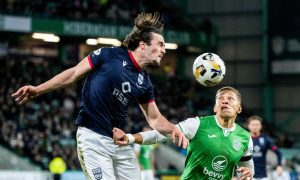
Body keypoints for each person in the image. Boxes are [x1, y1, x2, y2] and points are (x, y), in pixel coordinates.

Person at [11, 12, 188, 180]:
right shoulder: (108, 55)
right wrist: (38, 89)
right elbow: (73, 74)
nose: (164, 50)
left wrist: (174, 129)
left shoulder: (145, 82)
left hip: (119, 141)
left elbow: (155, 118)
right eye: (160, 44)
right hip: (93, 138)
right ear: (143, 45)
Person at [113, 86, 255, 180]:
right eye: (220, 99)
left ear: (239, 109)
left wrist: (249, 174)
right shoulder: (197, 124)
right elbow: (161, 135)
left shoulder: (245, 138)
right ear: (215, 108)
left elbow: (248, 168)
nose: (225, 101)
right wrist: (130, 138)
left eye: (230, 99)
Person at [247, 115, 282, 180]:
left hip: (263, 176)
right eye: (253, 124)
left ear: (261, 126)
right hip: (248, 176)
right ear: (248, 126)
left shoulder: (266, 139)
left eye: (257, 125)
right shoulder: (244, 139)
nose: (255, 127)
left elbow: (278, 152)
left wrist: (279, 165)